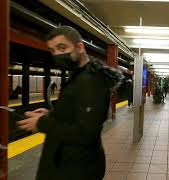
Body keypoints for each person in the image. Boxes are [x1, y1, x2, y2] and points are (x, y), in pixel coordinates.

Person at [17, 26, 123, 180]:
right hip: (67, 163)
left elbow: (86, 133)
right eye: (53, 50)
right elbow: (77, 113)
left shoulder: (91, 80)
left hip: (77, 169)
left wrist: (42, 124)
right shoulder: (78, 76)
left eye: (62, 47)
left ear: (80, 47)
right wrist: (53, 114)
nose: (57, 54)